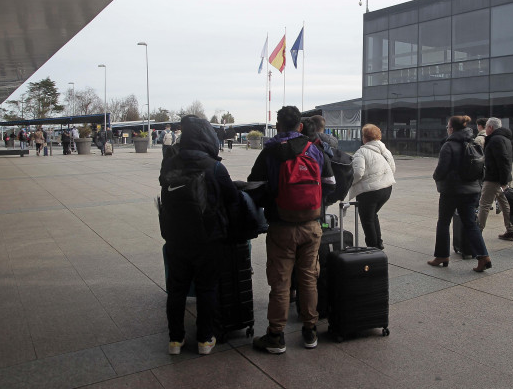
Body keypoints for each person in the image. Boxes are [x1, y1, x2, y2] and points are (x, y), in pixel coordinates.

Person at [248, 105, 335, 354]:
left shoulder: (269, 153)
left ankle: (276, 336)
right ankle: (310, 332)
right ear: (300, 126)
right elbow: (330, 183)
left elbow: (255, 187)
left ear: (278, 126)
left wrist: (272, 201)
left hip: (281, 227)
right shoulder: (315, 150)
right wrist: (316, 202)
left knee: (281, 281)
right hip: (311, 225)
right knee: (308, 278)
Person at [159, 115, 240, 356]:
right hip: (208, 238)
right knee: (207, 288)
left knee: (176, 289)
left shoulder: (169, 164)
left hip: (175, 237)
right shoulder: (214, 166)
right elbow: (233, 200)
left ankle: (175, 340)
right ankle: (205, 339)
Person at [428, 115, 492, 273]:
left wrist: (436, 177)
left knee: (443, 222)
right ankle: (483, 256)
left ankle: (442, 255)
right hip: (471, 191)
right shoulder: (474, 142)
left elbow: (441, 170)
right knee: (470, 224)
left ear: (452, 128)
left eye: (448, 127)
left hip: (451, 191)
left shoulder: (448, 145)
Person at [348, 124, 395, 249]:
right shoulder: (385, 150)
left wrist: (350, 183)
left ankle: (373, 248)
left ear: (365, 138)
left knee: (367, 220)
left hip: (369, 192)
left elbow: (357, 173)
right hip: (386, 189)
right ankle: (378, 243)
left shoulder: (361, 152)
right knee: (373, 215)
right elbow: (392, 168)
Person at [478, 117, 513, 241]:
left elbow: (503, 161)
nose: (485, 130)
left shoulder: (495, 140)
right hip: (503, 177)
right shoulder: (505, 139)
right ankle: (511, 230)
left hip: (494, 179)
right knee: (504, 204)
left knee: (484, 204)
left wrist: (503, 182)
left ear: (490, 127)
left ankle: (476, 233)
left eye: (486, 127)